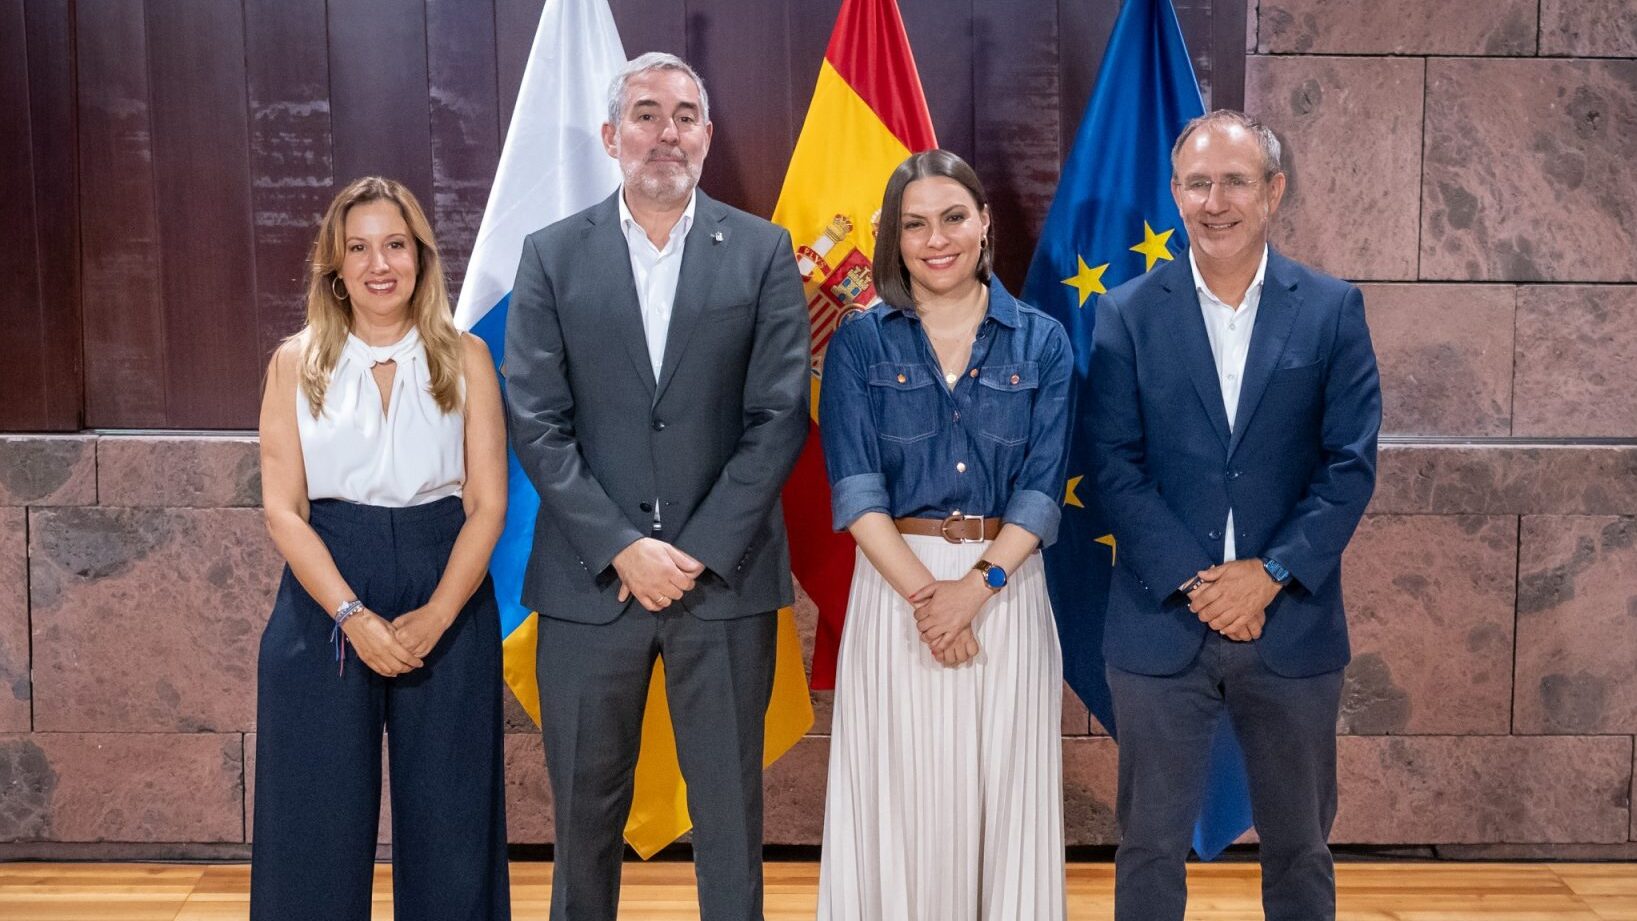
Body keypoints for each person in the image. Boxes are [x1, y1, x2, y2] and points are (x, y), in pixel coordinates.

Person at [503, 52, 809, 921]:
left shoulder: (760, 252)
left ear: (706, 138)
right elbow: (537, 422)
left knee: (728, 816)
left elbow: (777, 416)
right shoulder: (551, 256)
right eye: (644, 113)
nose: (664, 131)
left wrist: (696, 551)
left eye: (682, 115)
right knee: (585, 818)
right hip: (588, 582)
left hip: (724, 582)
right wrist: (623, 547)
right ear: (611, 135)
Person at [1088, 110, 1381, 921]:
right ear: (1176, 193)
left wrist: (1270, 574)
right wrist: (1197, 580)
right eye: (1196, 183)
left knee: (1298, 847)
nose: (1214, 201)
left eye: (1235, 181)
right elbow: (1110, 463)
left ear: (1273, 191)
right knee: (1147, 847)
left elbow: (1348, 464)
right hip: (1159, 623)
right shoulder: (1125, 313)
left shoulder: (1329, 309)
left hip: (1290, 626)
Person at [815, 149, 1073, 920]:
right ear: (893, 238)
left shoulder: (1043, 342)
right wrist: (932, 598)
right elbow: (856, 490)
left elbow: (1041, 486)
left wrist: (977, 587)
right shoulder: (862, 342)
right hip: (901, 591)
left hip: (1005, 586)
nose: (936, 238)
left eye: (953, 217)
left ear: (985, 223)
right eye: (914, 223)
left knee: (1005, 788)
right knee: (903, 791)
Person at [251, 176, 511, 920]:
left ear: (421, 257)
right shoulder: (293, 363)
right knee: (313, 816)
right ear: (334, 267)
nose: (378, 264)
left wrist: (436, 614)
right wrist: (352, 614)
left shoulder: (466, 358)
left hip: (446, 575)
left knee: (452, 814)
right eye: (358, 248)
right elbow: (283, 509)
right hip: (327, 580)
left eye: (394, 244)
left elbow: (488, 503)